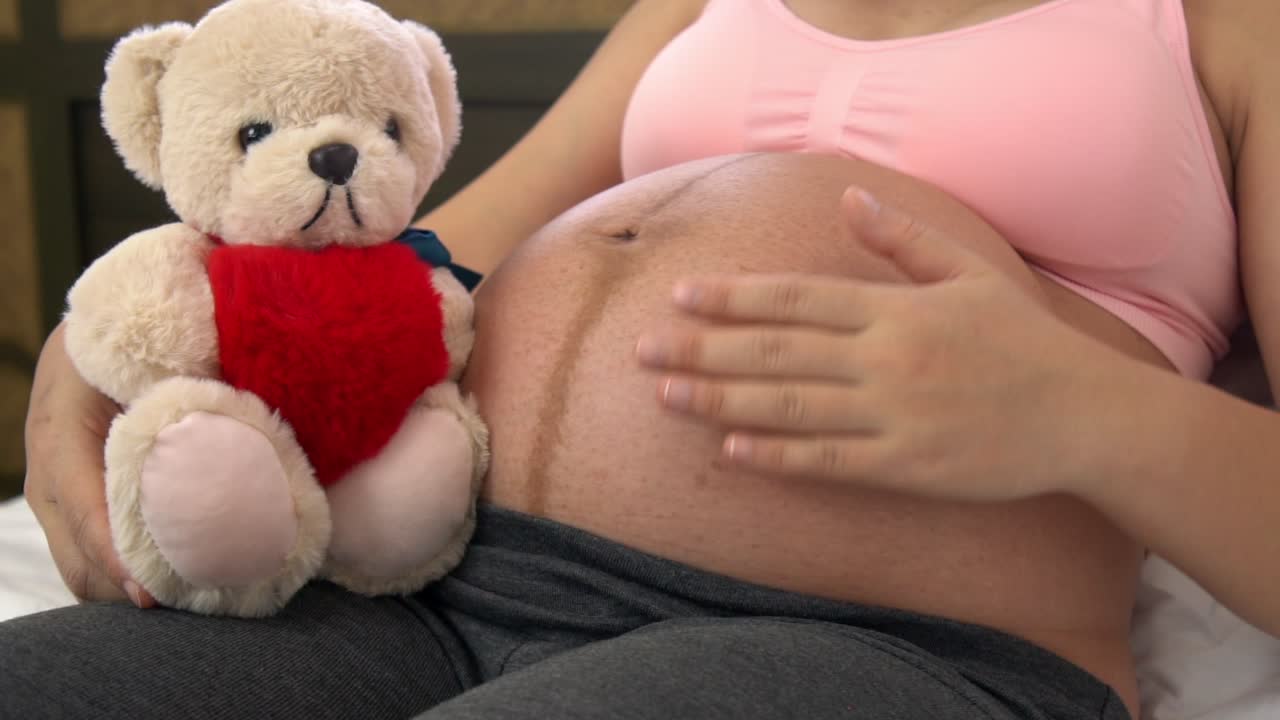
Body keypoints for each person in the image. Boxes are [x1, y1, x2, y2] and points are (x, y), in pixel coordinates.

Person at [8, 0, 1280, 718]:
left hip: (886, 640)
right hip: (444, 581)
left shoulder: (1220, 25)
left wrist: (1088, 414)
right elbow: (431, 253)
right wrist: (120, 331)